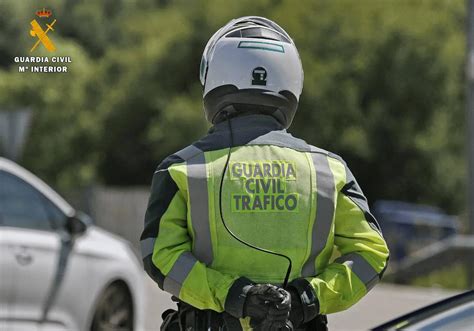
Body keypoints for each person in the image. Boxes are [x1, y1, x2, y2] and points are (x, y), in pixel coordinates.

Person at [140, 16, 389, 331]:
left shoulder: (181, 168)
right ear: (291, 84)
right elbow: (371, 256)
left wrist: (238, 297)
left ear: (212, 79)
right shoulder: (330, 170)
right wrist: (304, 300)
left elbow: (160, 257)